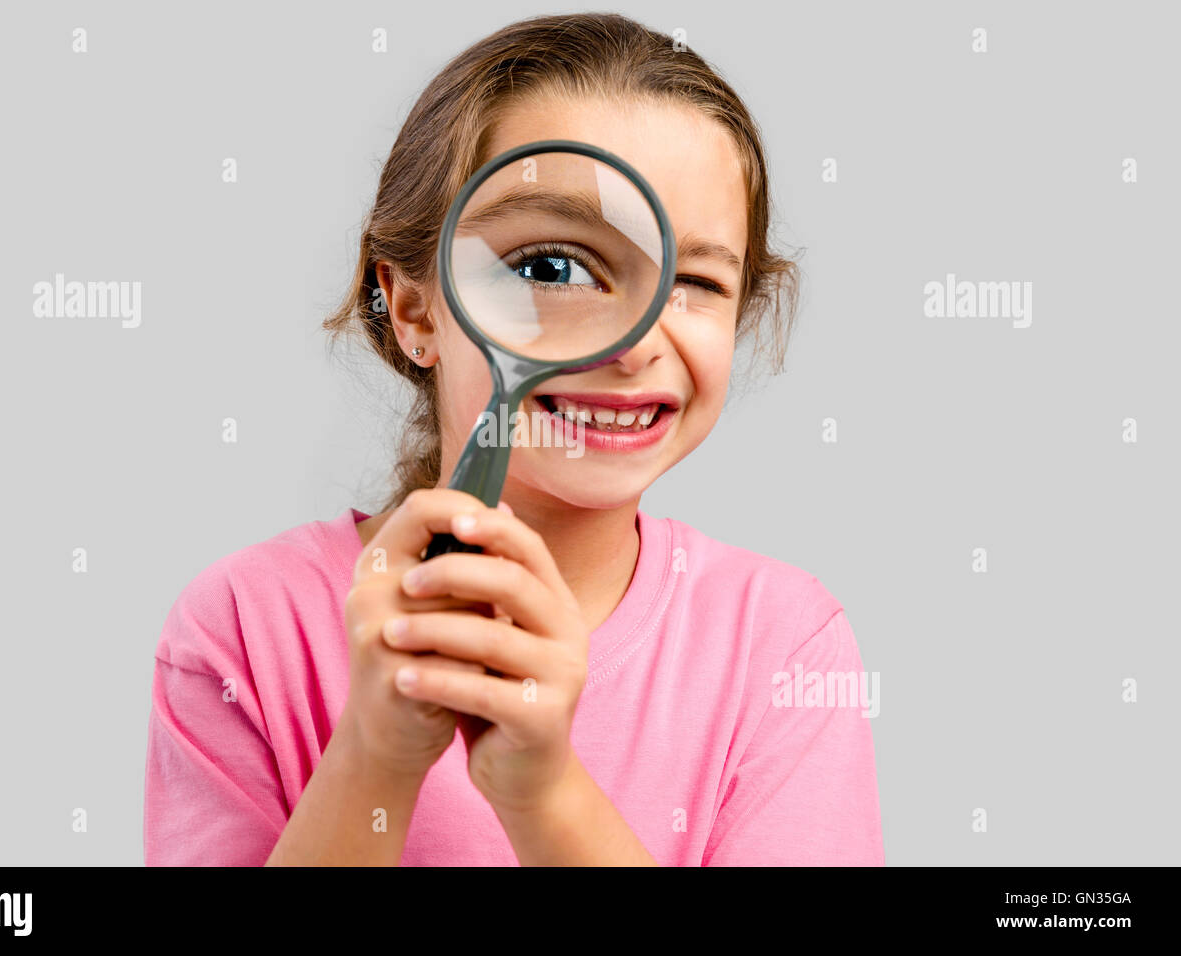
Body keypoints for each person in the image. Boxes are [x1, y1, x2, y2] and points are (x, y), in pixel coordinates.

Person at [144, 12, 884, 866]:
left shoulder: (785, 644)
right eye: (552, 268)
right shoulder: (244, 627)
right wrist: (376, 758)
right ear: (417, 308)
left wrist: (544, 790)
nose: (635, 339)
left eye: (695, 282)